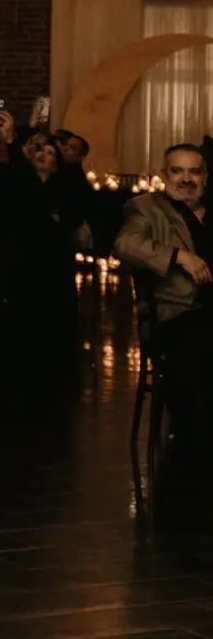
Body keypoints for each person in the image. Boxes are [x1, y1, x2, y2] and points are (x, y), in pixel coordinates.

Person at [115, 144, 213, 453]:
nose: (186, 179)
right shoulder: (147, 208)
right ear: (163, 174)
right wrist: (178, 255)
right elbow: (126, 244)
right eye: (177, 171)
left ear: (205, 177)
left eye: (194, 172)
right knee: (198, 339)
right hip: (175, 315)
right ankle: (193, 446)